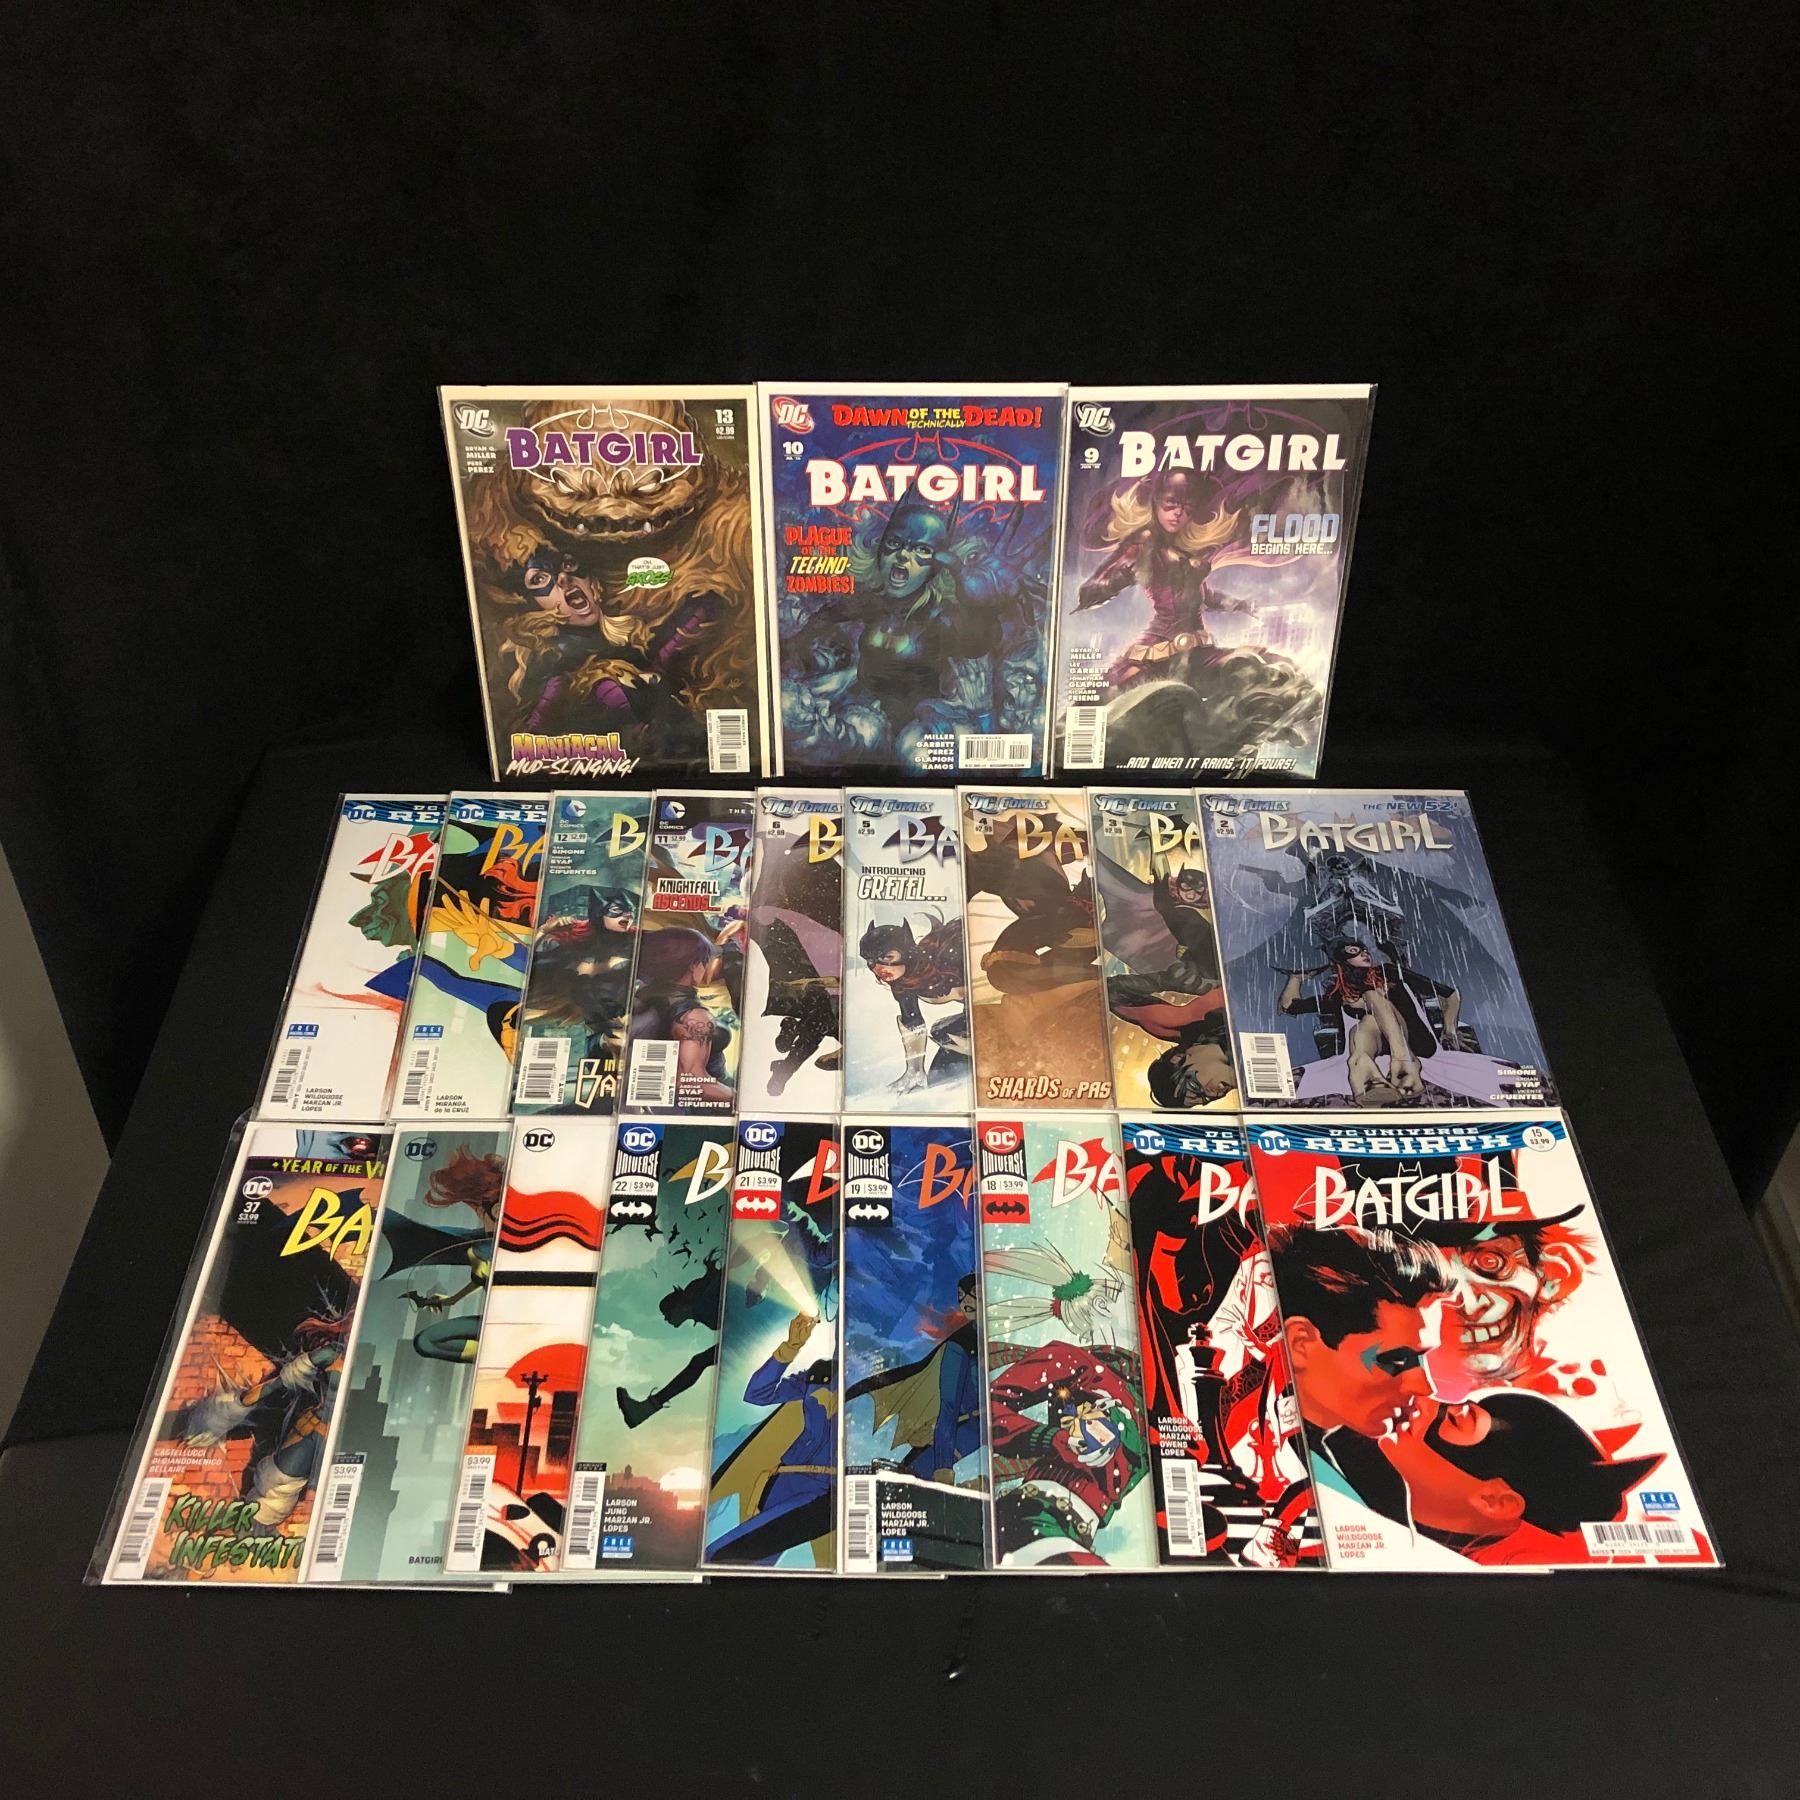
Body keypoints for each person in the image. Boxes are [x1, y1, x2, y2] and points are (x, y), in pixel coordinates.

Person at [1271, 1222, 1449, 1518]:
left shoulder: (1378, 1477)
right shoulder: (1254, 1453)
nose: (1424, 1386)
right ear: (1300, 1344)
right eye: (1395, 1360)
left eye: (1421, 1358)